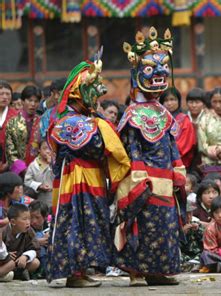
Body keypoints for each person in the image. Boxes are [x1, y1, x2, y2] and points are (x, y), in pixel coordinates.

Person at [46, 49, 130, 287]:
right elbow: (94, 147)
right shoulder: (74, 121)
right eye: (94, 89)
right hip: (77, 180)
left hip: (87, 178)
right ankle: (75, 273)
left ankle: (81, 271)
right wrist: (101, 127)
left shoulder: (79, 119)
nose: (99, 94)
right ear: (79, 93)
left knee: (87, 222)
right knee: (77, 222)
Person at [116, 28, 186, 286]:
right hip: (144, 178)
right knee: (141, 225)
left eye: (163, 68)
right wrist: (138, 175)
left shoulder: (164, 112)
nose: (159, 74)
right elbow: (132, 147)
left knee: (166, 226)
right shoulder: (133, 113)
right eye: (150, 69)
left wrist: (179, 167)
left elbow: (171, 144)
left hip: (166, 179)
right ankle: (136, 272)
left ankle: (160, 271)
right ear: (137, 73)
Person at [198, 87, 221, 192]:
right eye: (214, 102)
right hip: (209, 163)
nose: (218, 105)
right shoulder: (205, 118)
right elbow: (202, 143)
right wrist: (215, 151)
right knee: (210, 193)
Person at [1, 203, 40, 281]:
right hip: (4, 262)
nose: (28, 222)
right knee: (11, 264)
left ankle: (13, 274)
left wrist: (25, 256)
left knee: (35, 262)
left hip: (19, 263)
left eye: (29, 218)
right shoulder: (3, 232)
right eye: (24, 219)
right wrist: (7, 255)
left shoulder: (29, 231)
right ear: (13, 222)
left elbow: (35, 249)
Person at [160, 87, 196, 169]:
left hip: (179, 165)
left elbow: (184, 146)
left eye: (173, 99)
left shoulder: (184, 120)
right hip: (159, 164)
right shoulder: (158, 121)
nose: (169, 103)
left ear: (179, 101)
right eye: (166, 100)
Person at [0, 80, 27, 173]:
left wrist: (7, 164)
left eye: (8, 94)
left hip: (10, 162)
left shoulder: (16, 116)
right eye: (1, 94)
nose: (5, 97)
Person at [24, 140, 53, 207]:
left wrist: (51, 164)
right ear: (39, 150)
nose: (48, 151)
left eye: (50, 148)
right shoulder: (33, 165)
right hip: (41, 199)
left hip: (55, 198)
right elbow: (27, 181)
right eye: (45, 148)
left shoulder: (56, 164)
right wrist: (39, 186)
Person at [180, 202, 204, 272]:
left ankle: (194, 266)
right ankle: (191, 266)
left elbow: (205, 241)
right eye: (186, 214)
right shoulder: (176, 227)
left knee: (205, 256)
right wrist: (182, 234)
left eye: (190, 213)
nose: (188, 216)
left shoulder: (197, 224)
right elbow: (175, 246)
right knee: (178, 258)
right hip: (184, 255)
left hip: (197, 254)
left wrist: (198, 230)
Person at [28, 200, 49, 278]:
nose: (33, 221)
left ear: (45, 217)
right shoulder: (26, 228)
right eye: (31, 217)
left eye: (37, 217)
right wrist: (37, 242)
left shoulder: (50, 227)